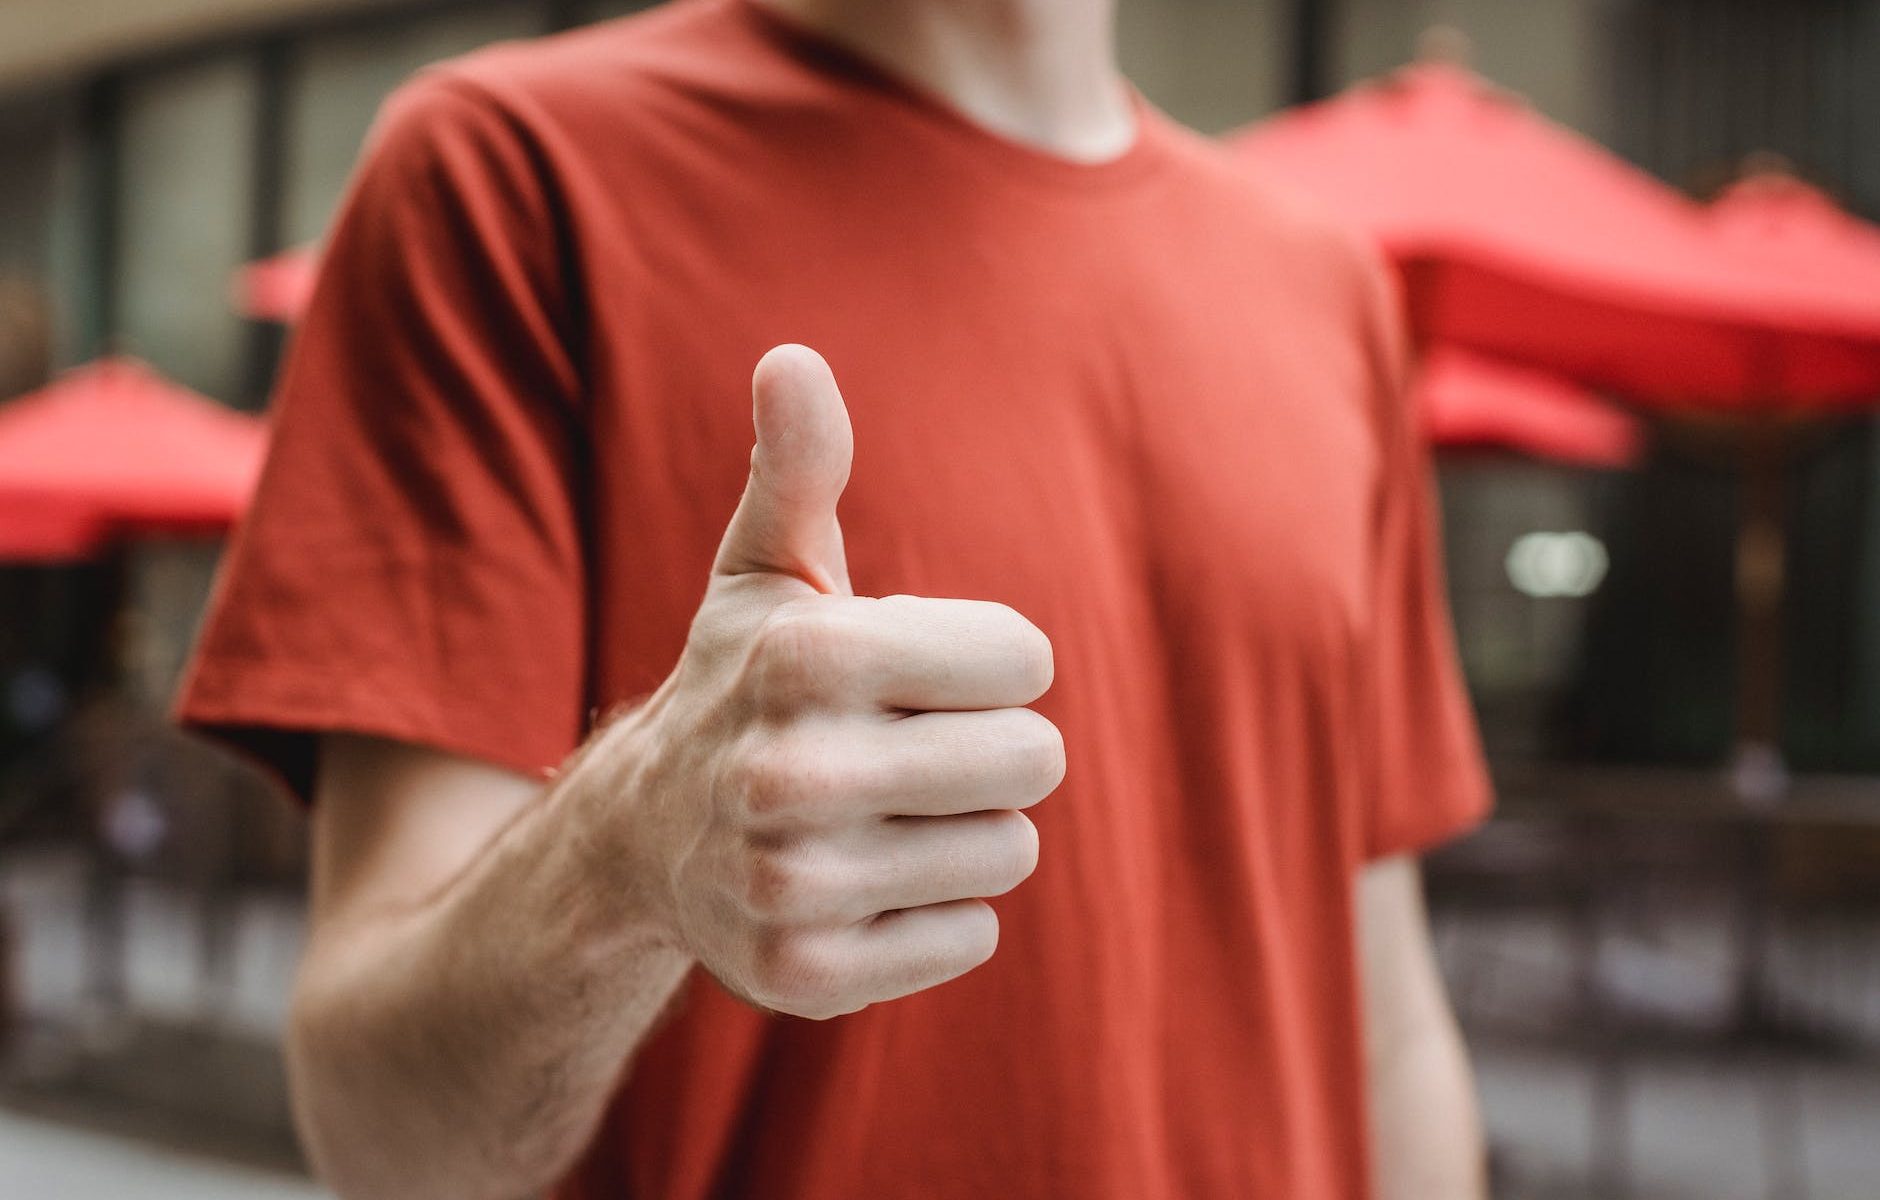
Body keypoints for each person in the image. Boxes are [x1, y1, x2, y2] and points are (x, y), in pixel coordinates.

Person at [178, 0, 1492, 1196]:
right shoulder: (505, 173)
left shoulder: (1329, 289)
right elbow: (377, 1137)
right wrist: (630, 851)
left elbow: (1386, 1032)